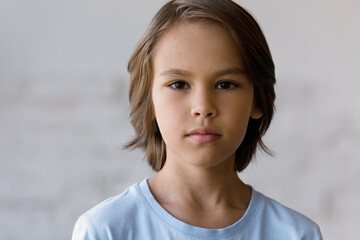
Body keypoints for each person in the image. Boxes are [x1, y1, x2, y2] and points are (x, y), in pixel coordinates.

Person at [72, 0, 322, 239]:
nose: (203, 107)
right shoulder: (104, 231)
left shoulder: (296, 234)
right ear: (149, 101)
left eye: (225, 84)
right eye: (179, 84)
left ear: (257, 100)